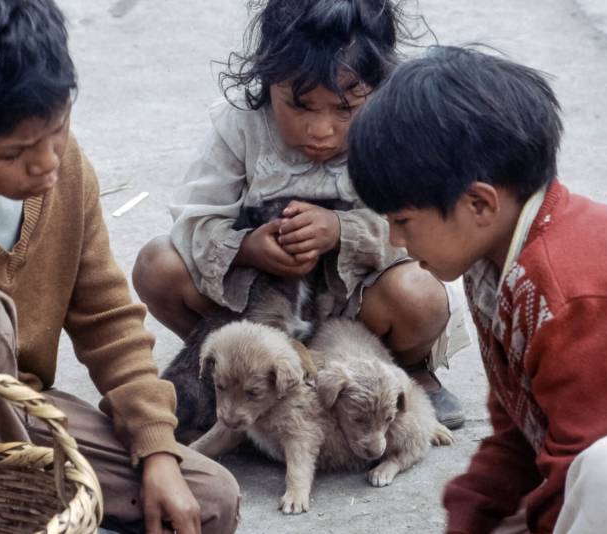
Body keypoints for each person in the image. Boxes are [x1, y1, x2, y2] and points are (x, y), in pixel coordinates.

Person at [0, 1, 239, 533]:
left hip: (13, 412)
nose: (48, 163)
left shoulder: (65, 171)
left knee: (208, 501)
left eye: (59, 127)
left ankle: (1, 508)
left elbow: (108, 319)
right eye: (14, 153)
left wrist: (156, 449)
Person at [347, 45, 607, 534]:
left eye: (402, 220)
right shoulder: (495, 264)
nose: (395, 240)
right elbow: (520, 437)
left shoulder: (574, 286)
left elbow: (582, 460)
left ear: (479, 204)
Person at [132, 0, 471, 430]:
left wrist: (339, 231)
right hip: (260, 306)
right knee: (157, 263)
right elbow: (195, 221)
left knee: (421, 293)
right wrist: (248, 248)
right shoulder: (242, 126)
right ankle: (242, 371)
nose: (321, 129)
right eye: (300, 105)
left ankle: (402, 371)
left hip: (357, 311)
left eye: (344, 109)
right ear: (266, 80)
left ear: (380, 89)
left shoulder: (394, 133)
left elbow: (426, 227)